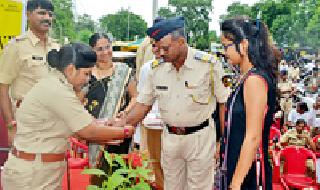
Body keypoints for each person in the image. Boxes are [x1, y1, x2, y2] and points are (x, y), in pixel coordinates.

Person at [113, 16, 229, 190]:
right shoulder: (155, 69)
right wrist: (119, 126)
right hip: (170, 139)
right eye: (157, 48)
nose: (159, 53)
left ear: (181, 42)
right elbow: (142, 105)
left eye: (165, 48)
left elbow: (223, 103)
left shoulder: (209, 65)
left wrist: (224, 141)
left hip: (200, 139)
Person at [0, 43, 135, 190]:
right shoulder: (57, 90)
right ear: (71, 69)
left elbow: (83, 123)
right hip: (32, 176)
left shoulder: (57, 84)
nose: (88, 79)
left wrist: (106, 124)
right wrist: (126, 131)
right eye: (86, 73)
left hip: (40, 170)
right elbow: (88, 131)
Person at [220, 17, 277, 189]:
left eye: (226, 46)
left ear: (243, 45)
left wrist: (235, 184)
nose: (224, 52)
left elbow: (253, 137)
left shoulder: (254, 81)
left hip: (249, 173)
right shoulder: (245, 78)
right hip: (238, 165)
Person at [0, 0, 59, 146]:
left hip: (53, 120)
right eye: (41, 13)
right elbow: (3, 88)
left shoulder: (56, 47)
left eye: (50, 14)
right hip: (26, 122)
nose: (47, 18)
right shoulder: (16, 47)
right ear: (28, 15)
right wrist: (10, 125)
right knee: (26, 165)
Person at [85, 33, 137, 163]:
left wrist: (125, 112)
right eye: (100, 49)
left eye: (108, 47)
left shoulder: (123, 71)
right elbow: (77, 102)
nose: (105, 52)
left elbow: (136, 96)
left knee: (119, 171)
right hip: (95, 131)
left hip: (118, 129)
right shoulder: (86, 73)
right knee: (98, 173)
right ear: (92, 51)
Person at [138, 36, 165, 189]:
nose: (155, 49)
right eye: (153, 45)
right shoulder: (147, 68)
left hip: (174, 129)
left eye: (158, 45)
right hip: (152, 126)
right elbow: (142, 100)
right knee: (154, 169)